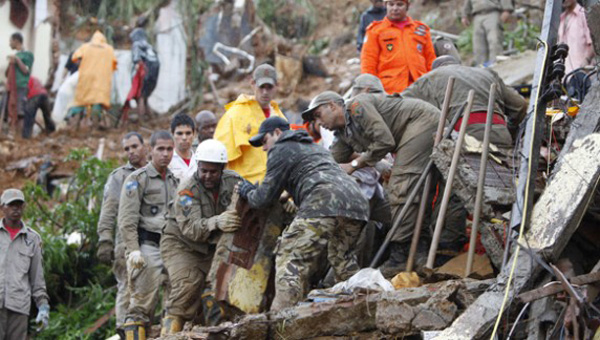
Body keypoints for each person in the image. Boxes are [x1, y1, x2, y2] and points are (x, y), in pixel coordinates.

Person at [302, 91, 440, 276]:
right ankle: (420, 254)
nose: (319, 123)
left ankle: (399, 257)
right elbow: (332, 160)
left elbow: (384, 141)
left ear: (332, 106)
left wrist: (354, 165)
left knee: (400, 188)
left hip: (423, 122)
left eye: (318, 115)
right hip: (416, 129)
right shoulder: (343, 133)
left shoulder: (357, 107)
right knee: (418, 192)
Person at [238, 117, 369, 311]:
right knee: (343, 261)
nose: (264, 148)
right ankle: (364, 308)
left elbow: (262, 198)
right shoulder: (313, 147)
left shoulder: (281, 148)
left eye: (264, 141)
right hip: (356, 204)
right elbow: (314, 174)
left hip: (323, 203)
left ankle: (283, 320)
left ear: (277, 133)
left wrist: (247, 191)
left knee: (290, 256)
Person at [160, 139, 242, 334]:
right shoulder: (187, 190)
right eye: (203, 170)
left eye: (213, 172)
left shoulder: (233, 181)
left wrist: (282, 201)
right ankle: (169, 334)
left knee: (221, 289)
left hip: (213, 244)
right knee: (186, 291)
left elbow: (253, 199)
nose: (207, 176)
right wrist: (217, 222)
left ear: (222, 168)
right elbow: (191, 229)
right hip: (182, 245)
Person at [118, 131, 178, 339]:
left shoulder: (175, 181)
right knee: (141, 306)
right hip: (147, 246)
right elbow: (127, 219)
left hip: (171, 247)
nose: (165, 154)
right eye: (160, 149)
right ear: (150, 150)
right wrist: (133, 249)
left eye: (169, 149)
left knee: (175, 305)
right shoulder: (137, 179)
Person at [403, 55, 527, 147]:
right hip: (500, 134)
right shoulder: (487, 73)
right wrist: (513, 133)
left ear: (434, 69)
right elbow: (520, 106)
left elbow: (398, 104)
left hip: (464, 137)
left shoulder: (430, 78)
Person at [96, 132, 147, 337]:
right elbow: (108, 209)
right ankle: (124, 329)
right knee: (127, 285)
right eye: (126, 149)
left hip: (153, 237)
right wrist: (104, 239)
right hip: (125, 241)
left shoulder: (156, 171)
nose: (131, 151)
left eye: (134, 146)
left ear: (145, 147)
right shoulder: (119, 177)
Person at [214, 64, 286, 183]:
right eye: (261, 87)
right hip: (244, 187)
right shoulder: (235, 114)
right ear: (252, 84)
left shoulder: (279, 116)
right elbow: (221, 155)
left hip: (274, 186)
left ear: (277, 86)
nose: (265, 92)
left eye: (269, 87)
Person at [0, 189, 50, 339]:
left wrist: (43, 306)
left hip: (19, 308)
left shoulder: (32, 239)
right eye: (11, 205)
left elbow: (37, 277)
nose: (16, 209)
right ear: (3, 207)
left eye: (19, 205)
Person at [360, 0, 436, 94]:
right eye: (391, 4)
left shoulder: (421, 30)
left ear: (407, 6)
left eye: (400, 4)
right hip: (390, 91)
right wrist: (372, 89)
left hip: (421, 88)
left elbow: (431, 61)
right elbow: (368, 63)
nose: (395, 8)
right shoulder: (375, 31)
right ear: (385, 5)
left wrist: (433, 86)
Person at [69, 31, 117, 121]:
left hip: (86, 78)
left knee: (80, 101)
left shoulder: (85, 47)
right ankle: (94, 128)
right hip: (100, 81)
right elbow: (113, 65)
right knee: (97, 102)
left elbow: (75, 58)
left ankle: (73, 125)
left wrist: (84, 64)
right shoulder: (109, 49)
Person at [123, 28, 160, 119]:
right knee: (145, 96)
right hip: (154, 72)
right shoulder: (149, 46)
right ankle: (151, 118)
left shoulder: (137, 44)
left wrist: (137, 70)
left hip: (145, 71)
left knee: (140, 96)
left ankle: (141, 118)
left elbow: (136, 59)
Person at [461, 0, 512, 66]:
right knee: (478, 44)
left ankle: (496, 64)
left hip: (492, 12)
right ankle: (481, 66)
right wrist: (464, 15)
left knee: (494, 40)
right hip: (477, 15)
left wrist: (506, 10)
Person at [4, 32, 33, 135]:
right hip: (12, 88)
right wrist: (10, 63)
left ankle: (19, 137)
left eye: (10, 41)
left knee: (20, 112)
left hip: (21, 86)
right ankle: (10, 132)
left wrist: (17, 60)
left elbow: (26, 71)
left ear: (16, 41)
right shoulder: (15, 55)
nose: (9, 43)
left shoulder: (27, 55)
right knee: (9, 110)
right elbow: (7, 74)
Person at [558, 0, 595, 74]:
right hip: (565, 76)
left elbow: (593, 42)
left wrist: (586, 61)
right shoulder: (562, 18)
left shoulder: (583, 14)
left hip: (581, 74)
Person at [169, 114, 198, 181]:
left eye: (188, 133)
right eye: (180, 133)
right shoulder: (167, 161)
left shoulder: (199, 159)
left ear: (194, 134)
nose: (184, 138)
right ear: (172, 134)